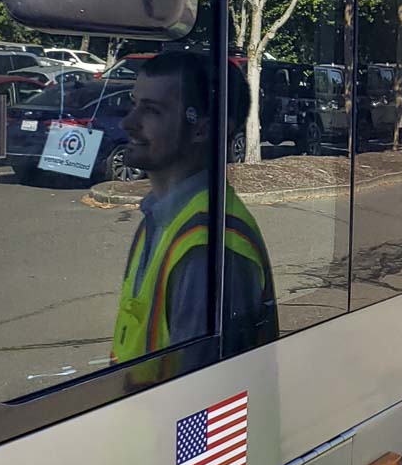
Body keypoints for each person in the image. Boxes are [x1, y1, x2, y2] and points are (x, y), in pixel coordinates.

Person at [110, 51, 277, 374]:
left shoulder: (209, 248)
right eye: (134, 104)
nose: (128, 122)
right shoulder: (160, 219)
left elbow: (205, 390)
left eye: (151, 110)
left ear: (203, 129)